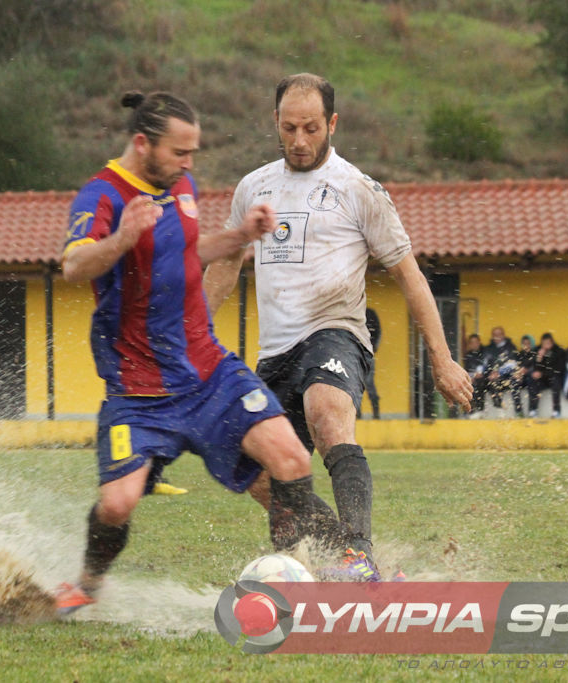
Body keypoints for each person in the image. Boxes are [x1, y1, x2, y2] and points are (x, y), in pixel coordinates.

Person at [54, 91, 356, 615]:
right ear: (143, 143)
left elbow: (186, 253)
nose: (189, 164)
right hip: (139, 390)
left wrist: (239, 235)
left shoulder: (180, 185)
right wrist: (123, 237)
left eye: (193, 153)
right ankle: (87, 583)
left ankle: (328, 572)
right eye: (180, 153)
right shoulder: (101, 195)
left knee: (289, 458)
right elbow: (75, 267)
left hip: (208, 372)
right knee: (117, 503)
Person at [205, 73, 472, 577]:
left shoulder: (359, 189)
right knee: (262, 475)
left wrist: (442, 357)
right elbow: (226, 265)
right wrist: (186, 333)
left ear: (332, 123)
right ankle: (337, 564)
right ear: (275, 124)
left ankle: (358, 550)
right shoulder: (254, 188)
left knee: (325, 412)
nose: (299, 140)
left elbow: (410, 277)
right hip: (275, 354)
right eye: (289, 128)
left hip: (337, 333)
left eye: (310, 127)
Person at [483, 326, 524, 415]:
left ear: (503, 335)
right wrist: (490, 373)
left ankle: (519, 411)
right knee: (492, 382)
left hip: (508, 376)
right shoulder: (488, 349)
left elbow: (513, 364)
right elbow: (484, 365)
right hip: (494, 377)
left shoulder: (510, 347)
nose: (497, 336)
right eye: (495, 334)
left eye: (499, 334)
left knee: (515, 380)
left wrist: (499, 372)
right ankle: (499, 410)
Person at [527, 332, 565, 418]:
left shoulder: (558, 351)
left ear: (552, 342)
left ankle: (556, 410)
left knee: (555, 381)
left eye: (548, 343)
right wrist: (539, 358)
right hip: (542, 379)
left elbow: (558, 369)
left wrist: (543, 372)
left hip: (554, 377)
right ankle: (533, 410)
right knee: (533, 381)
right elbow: (534, 367)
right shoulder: (537, 350)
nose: (546, 346)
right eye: (544, 344)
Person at [362, 307, 382, 419]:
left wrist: (373, 348)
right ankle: (359, 413)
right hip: (358, 352)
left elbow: (378, 332)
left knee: (368, 383)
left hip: (366, 352)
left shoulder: (368, 313)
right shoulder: (365, 312)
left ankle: (375, 412)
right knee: (362, 383)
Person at [462, 333, 488, 415]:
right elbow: (466, 371)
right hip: (473, 379)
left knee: (480, 381)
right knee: (467, 384)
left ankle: (480, 409)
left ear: (479, 342)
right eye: (472, 342)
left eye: (476, 342)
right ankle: (469, 410)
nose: (474, 344)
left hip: (485, 378)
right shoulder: (468, 356)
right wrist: (472, 376)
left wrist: (482, 373)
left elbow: (489, 366)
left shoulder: (485, 353)